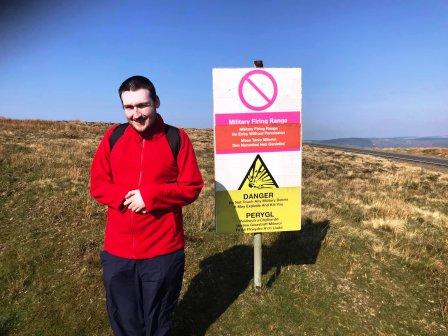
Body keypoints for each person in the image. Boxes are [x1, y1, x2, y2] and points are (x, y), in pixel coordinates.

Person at [89, 75, 203, 336]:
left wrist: (150, 197)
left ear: (157, 102)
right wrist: (123, 197)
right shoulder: (113, 137)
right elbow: (98, 184)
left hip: (163, 252)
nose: (136, 115)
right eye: (129, 107)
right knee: (124, 320)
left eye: (142, 105)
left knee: (158, 321)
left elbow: (191, 186)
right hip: (117, 253)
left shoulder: (177, 138)